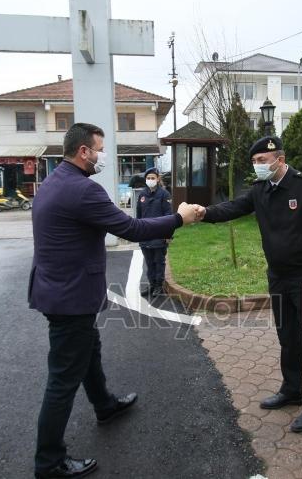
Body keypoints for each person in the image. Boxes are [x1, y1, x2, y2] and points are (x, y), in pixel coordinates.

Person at [29, 123, 198, 478]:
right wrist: (178, 219)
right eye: (100, 149)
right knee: (62, 380)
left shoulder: (52, 183)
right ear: (84, 152)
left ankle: (104, 404)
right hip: (70, 296)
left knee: (89, 351)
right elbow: (132, 229)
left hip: (58, 289)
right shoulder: (82, 190)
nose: (104, 157)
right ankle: (49, 462)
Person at [194, 136, 302, 433]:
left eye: (262, 161)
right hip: (278, 277)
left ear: (279, 160)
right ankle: (292, 390)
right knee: (288, 337)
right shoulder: (261, 190)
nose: (257, 167)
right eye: (254, 162)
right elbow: (232, 208)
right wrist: (204, 213)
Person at [135, 167, 173, 299]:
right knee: (149, 262)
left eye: (153, 178)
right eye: (148, 178)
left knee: (159, 261)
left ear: (158, 179)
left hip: (159, 234)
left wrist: (168, 235)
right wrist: (137, 232)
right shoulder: (142, 195)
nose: (150, 180)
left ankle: (159, 286)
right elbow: (138, 215)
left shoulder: (164, 194)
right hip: (145, 234)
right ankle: (151, 284)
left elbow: (169, 216)